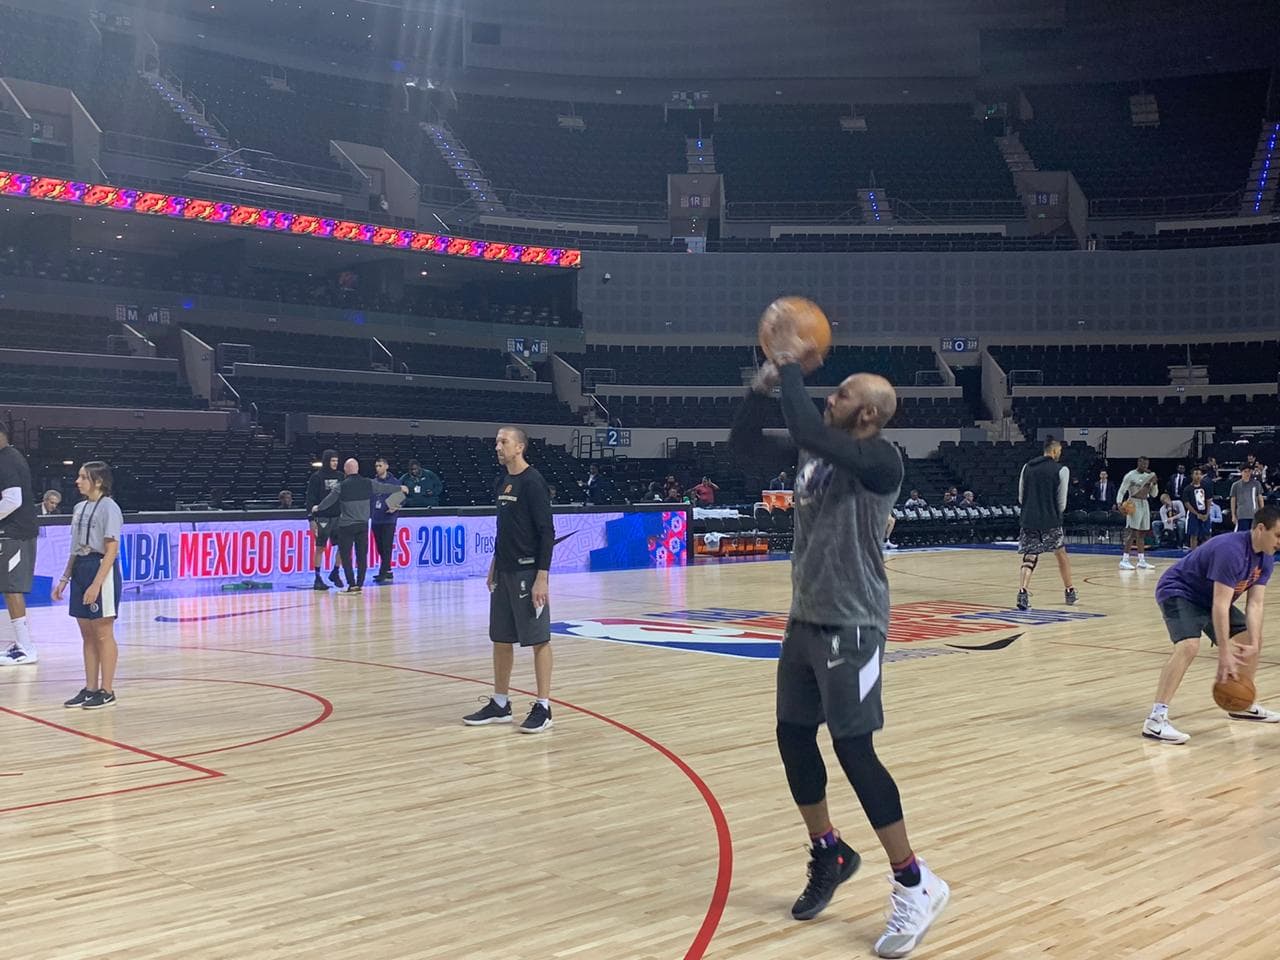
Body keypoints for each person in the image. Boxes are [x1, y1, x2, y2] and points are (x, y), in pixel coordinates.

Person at [728, 328, 949, 958]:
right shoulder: (814, 451)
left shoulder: (882, 459)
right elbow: (742, 447)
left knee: (854, 749)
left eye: (844, 393)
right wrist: (760, 389)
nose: (832, 397)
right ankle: (830, 850)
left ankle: (915, 881)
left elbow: (806, 425)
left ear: (869, 414)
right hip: (805, 620)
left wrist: (790, 365)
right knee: (793, 737)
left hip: (853, 625)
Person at [1141, 507, 1280, 743]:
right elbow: (1220, 605)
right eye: (1277, 535)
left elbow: (1255, 604)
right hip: (1179, 591)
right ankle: (1156, 719)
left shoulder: (1266, 559)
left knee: (1251, 641)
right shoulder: (1231, 550)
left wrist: (1255, 643)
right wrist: (1224, 652)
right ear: (1260, 529)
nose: (1279, 542)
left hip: (1208, 597)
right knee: (1188, 646)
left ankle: (1242, 704)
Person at [463, 427, 556, 734]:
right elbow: (504, 530)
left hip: (528, 573)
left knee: (538, 639)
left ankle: (544, 707)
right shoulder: (502, 481)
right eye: (496, 442)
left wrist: (542, 577)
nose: (497, 446)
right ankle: (500, 703)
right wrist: (494, 564)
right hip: (503, 572)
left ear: (520, 447)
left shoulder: (533, 482)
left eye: (504, 441)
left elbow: (547, 532)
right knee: (501, 638)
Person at [51, 461, 124, 708]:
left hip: (100, 566)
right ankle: (90, 688)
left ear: (98, 481)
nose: (77, 481)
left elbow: (111, 550)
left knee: (103, 632)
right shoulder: (79, 507)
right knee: (87, 633)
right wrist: (65, 578)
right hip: (81, 567)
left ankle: (107, 690)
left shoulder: (110, 507)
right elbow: (75, 548)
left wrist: (96, 584)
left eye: (83, 477)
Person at [313, 459, 406, 595]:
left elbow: (329, 501)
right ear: (357, 469)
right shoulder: (368, 483)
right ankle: (359, 584)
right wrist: (399, 488)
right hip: (363, 525)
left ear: (346, 470)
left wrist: (318, 508)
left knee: (346, 556)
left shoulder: (341, 486)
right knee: (362, 555)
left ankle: (352, 585)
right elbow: (384, 488)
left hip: (346, 526)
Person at [1016, 436, 1078, 611]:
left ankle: (1022, 592)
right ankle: (1069, 590)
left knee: (1029, 557)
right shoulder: (1061, 470)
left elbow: (1021, 497)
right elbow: (1061, 502)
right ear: (1054, 450)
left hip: (1029, 519)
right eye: (1060, 451)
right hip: (1051, 519)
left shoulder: (1026, 467)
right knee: (1060, 553)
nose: (1060, 454)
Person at [0, 422, 38, 666]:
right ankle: (21, 643)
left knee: (13, 588)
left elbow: (13, 500)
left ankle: (27, 648)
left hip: (17, 533)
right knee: (8, 587)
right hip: (12, 533)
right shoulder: (8, 457)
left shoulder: (7, 459)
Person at [305, 449, 345, 591]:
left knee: (343, 546)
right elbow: (310, 499)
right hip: (322, 517)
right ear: (327, 461)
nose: (335, 463)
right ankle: (317, 577)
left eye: (336, 461)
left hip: (338, 517)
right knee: (320, 547)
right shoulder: (317, 477)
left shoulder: (341, 476)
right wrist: (311, 519)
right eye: (333, 460)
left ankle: (335, 571)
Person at [1117, 457, 1159, 570]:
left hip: (1144, 503)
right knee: (1132, 532)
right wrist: (1119, 504)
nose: (1145, 466)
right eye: (1143, 463)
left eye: (1147, 464)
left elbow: (1154, 494)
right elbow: (1122, 490)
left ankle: (1141, 561)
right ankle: (1124, 560)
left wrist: (1155, 483)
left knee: (1142, 533)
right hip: (1133, 502)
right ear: (1138, 463)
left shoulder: (1149, 476)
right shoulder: (1130, 475)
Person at [370, 457, 401, 583]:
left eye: (380, 465)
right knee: (380, 546)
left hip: (389, 519)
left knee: (387, 546)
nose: (378, 468)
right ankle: (387, 570)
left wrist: (396, 506)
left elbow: (401, 497)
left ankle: (383, 572)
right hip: (376, 518)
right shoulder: (373, 482)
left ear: (386, 466)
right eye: (376, 466)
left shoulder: (395, 482)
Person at [1183, 467, 1213, 549]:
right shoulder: (1188, 489)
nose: (1198, 476)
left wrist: (1207, 513)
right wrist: (1197, 514)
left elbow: (1209, 500)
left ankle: (1208, 552)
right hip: (1193, 514)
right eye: (1196, 474)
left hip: (1205, 513)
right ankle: (1194, 553)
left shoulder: (1206, 486)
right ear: (1192, 475)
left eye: (1200, 474)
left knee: (1207, 534)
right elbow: (1187, 503)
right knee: (1194, 535)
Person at [1230, 465, 1264, 533]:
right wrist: (1233, 515)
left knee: (1254, 534)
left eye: (1249, 471)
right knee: (1243, 534)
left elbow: (1260, 498)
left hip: (1254, 514)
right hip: (1242, 514)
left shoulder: (1256, 484)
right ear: (1241, 472)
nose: (1247, 473)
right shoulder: (1235, 485)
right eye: (1245, 471)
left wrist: (1262, 512)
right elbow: (1233, 500)